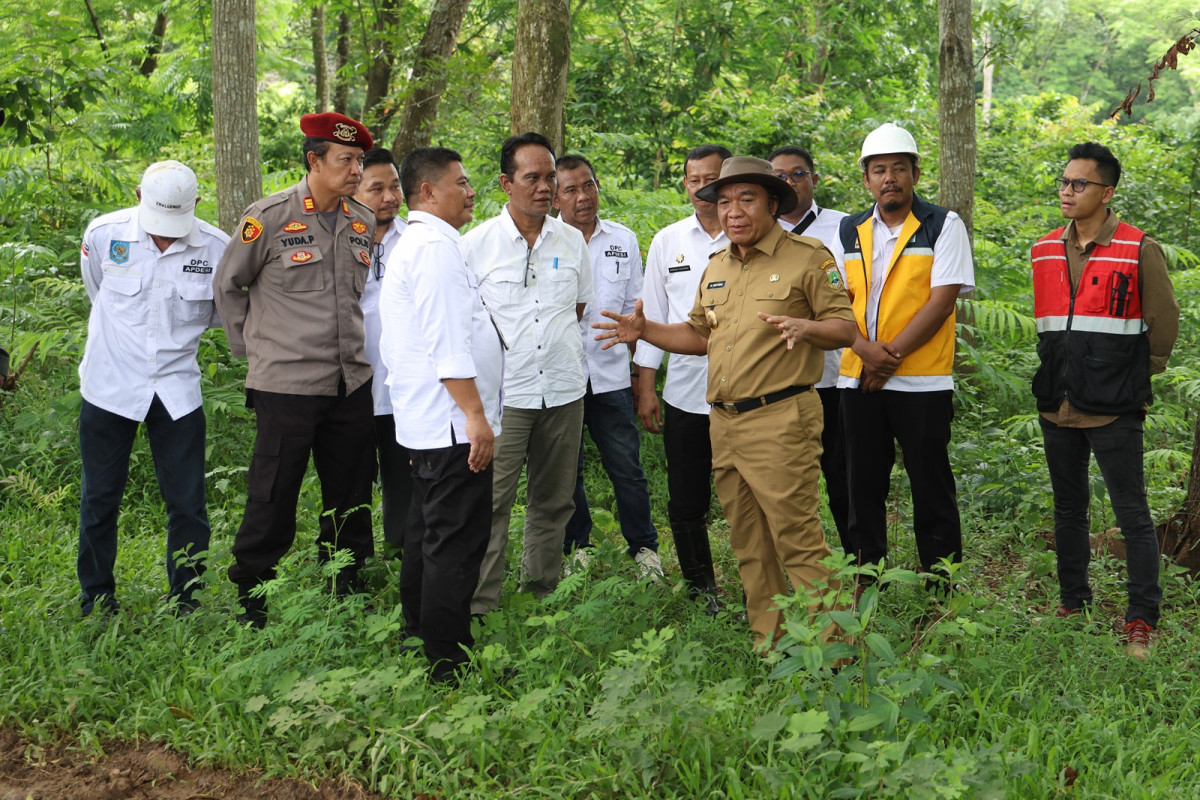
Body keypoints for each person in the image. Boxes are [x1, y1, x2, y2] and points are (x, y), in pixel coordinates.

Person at [596, 157, 857, 650]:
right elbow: (699, 335)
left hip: (781, 419)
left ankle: (835, 656)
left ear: (773, 204)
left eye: (746, 199)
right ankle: (771, 643)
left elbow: (844, 328)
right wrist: (645, 331)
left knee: (797, 539)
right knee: (748, 542)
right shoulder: (716, 266)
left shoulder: (806, 256)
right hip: (724, 422)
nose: (732, 211)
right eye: (724, 201)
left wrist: (808, 329)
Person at [214, 112, 378, 627]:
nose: (356, 170)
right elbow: (227, 286)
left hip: (350, 381)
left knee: (351, 491)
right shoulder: (269, 217)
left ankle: (345, 583)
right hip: (285, 385)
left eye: (359, 161)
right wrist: (253, 353)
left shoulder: (362, 220)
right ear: (314, 161)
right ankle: (253, 596)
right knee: (274, 490)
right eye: (345, 160)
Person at [1032, 142, 1179, 659]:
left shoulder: (1138, 248)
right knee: (1068, 508)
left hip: (1115, 403)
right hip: (1057, 400)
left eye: (1079, 184)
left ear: (1107, 192)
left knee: (1131, 513)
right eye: (1064, 181)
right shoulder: (1044, 249)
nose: (1067, 191)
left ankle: (1141, 617)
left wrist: (1133, 380)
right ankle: (1074, 601)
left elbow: (1164, 326)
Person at [76, 160, 229, 617]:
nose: (166, 236)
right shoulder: (105, 234)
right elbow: (96, 289)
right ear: (139, 197)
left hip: (177, 390)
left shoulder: (217, 249)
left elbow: (222, 316)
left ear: (196, 205)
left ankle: (188, 598)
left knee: (187, 502)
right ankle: (96, 598)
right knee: (100, 498)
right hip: (110, 386)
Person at [829, 123, 974, 592]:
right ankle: (867, 581)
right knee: (861, 486)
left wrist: (885, 359)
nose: (888, 178)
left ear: (915, 173)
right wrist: (866, 356)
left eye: (898, 168)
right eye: (878, 170)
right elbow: (834, 302)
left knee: (930, 485)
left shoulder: (942, 224)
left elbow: (941, 300)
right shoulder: (848, 229)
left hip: (921, 382)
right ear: (866, 179)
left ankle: (941, 585)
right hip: (857, 378)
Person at [379, 146, 503, 682]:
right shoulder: (432, 249)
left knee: (427, 533)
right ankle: (447, 662)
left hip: (430, 422)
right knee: (455, 542)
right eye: (463, 182)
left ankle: (419, 633)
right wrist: (475, 416)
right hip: (451, 424)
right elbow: (448, 343)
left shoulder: (425, 244)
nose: (472, 190)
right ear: (428, 191)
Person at [463, 132, 594, 615]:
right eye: (532, 177)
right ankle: (482, 607)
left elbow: (576, 308)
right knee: (493, 505)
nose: (545, 187)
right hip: (506, 397)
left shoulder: (572, 241)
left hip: (562, 389)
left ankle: (538, 595)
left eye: (550, 177)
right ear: (505, 183)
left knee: (554, 501)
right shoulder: (474, 247)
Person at [633, 144, 731, 613]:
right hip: (686, 395)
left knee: (753, 495)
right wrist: (646, 385)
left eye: (712, 179)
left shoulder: (751, 237)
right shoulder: (667, 241)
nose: (703, 189)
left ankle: (765, 586)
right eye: (694, 180)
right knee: (686, 500)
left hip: (749, 394)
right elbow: (650, 317)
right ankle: (701, 590)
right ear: (685, 185)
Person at [553, 154, 660, 575]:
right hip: (562, 378)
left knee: (627, 468)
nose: (583, 197)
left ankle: (644, 549)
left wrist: (639, 376)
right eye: (571, 190)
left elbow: (639, 311)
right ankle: (576, 547)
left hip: (611, 376)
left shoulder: (624, 240)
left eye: (589, 186)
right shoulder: (546, 242)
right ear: (555, 197)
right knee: (567, 471)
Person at [769, 145, 852, 552]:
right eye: (779, 176)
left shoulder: (845, 228)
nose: (788, 183)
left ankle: (860, 566)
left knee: (842, 475)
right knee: (786, 483)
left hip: (833, 375)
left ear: (814, 180)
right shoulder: (759, 231)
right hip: (777, 379)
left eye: (797, 174)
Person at [353, 147, 410, 556]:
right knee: (350, 481)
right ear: (353, 190)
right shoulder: (337, 237)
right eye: (378, 188)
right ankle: (352, 565)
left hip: (403, 389)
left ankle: (401, 556)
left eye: (395, 186)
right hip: (351, 385)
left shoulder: (417, 242)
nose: (390, 196)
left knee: (404, 480)